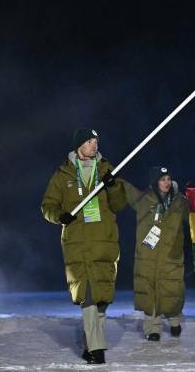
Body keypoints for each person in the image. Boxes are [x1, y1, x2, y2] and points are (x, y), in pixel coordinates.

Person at [40, 128, 127, 365]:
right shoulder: (62, 175)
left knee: (101, 300)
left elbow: (119, 204)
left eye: (96, 141)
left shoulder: (107, 170)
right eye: (90, 141)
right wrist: (60, 215)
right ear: (79, 146)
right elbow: (47, 206)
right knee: (88, 297)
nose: (95, 145)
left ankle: (90, 346)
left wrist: (113, 186)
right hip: (78, 244)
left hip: (104, 243)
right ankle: (97, 350)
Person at [122, 166, 188, 341]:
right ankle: (153, 329)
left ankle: (174, 321)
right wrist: (112, 177)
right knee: (149, 292)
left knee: (171, 292)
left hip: (171, 257)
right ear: (155, 182)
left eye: (168, 179)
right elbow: (126, 189)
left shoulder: (180, 202)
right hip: (148, 257)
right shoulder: (144, 200)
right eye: (162, 179)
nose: (166, 183)